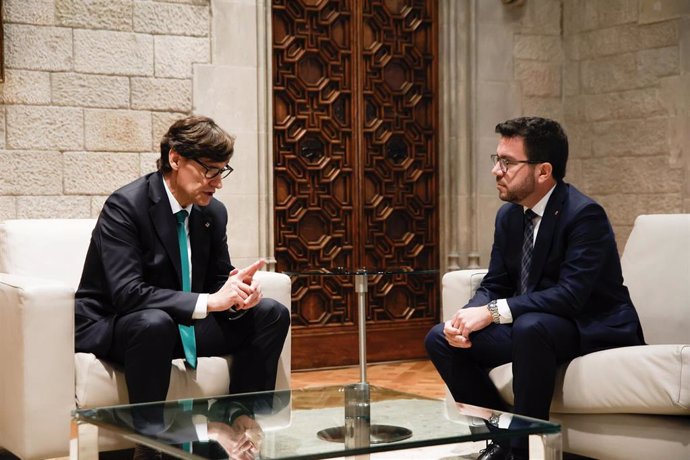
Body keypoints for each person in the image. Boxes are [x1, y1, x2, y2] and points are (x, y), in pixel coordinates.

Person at [425, 117, 644, 460]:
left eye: (508, 163)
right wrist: (468, 316)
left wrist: (494, 312)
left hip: (589, 324)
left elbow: (571, 295)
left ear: (543, 171)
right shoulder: (509, 217)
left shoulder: (584, 215)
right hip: (537, 326)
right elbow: (496, 282)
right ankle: (503, 439)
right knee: (440, 337)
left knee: (530, 327)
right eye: (496, 160)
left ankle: (523, 452)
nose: (497, 170)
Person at [75, 114, 290, 410]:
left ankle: (239, 424)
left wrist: (238, 295)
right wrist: (208, 302)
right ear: (175, 159)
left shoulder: (213, 213)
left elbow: (216, 282)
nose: (217, 183)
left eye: (222, 171)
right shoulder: (125, 207)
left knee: (272, 314)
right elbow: (127, 294)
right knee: (154, 324)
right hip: (120, 325)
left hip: (177, 324)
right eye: (208, 171)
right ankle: (148, 446)